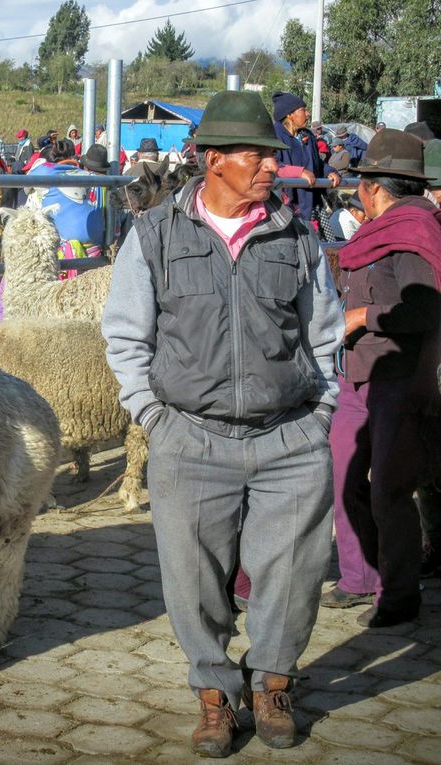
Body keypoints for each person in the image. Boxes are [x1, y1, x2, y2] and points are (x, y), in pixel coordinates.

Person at [102, 90, 345, 758]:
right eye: (256, 154)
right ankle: (214, 693)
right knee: (193, 580)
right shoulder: (154, 235)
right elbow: (126, 336)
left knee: (293, 573)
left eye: (272, 153)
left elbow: (325, 333)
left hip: (289, 435)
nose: (272, 166)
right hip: (190, 436)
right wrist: (154, 418)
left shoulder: (297, 235)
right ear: (211, 160)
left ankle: (271, 681)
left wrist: (321, 412)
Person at [323, 129, 441, 628]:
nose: (357, 195)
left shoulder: (413, 235)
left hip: (397, 377)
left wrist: (363, 316)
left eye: (361, 184)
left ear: (376, 188)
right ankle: (358, 576)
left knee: (388, 488)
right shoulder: (382, 231)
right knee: (344, 474)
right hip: (359, 374)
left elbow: (424, 307)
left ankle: (398, 593)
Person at [272, 91, 341, 225]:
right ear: (290, 114)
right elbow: (272, 166)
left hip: (312, 204)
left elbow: (317, 163)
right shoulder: (274, 136)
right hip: (287, 207)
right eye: (303, 110)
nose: (307, 114)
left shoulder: (308, 136)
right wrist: (299, 172)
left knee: (320, 244)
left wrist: (330, 172)